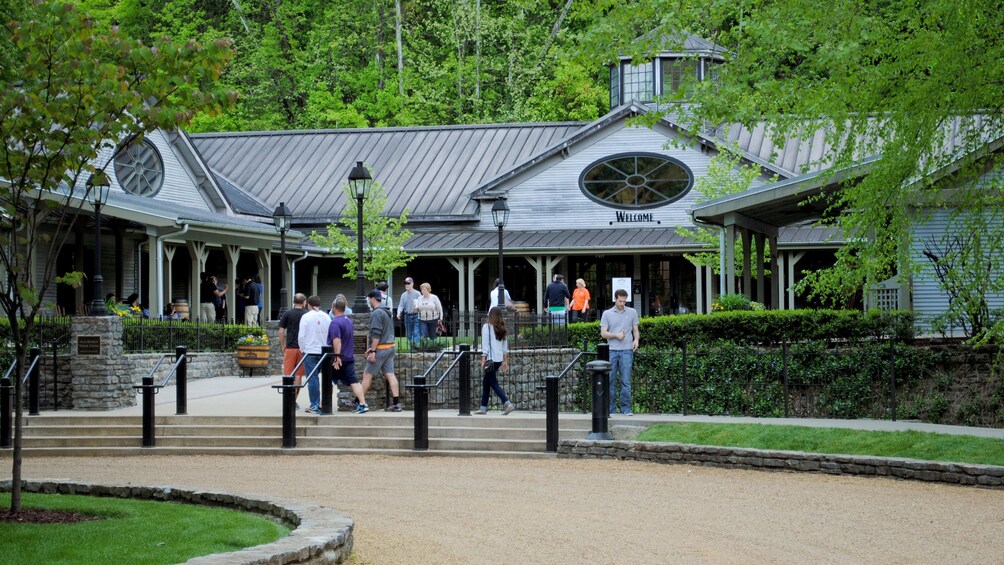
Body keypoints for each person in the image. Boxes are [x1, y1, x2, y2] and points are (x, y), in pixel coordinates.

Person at [600, 288, 640, 416]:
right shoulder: (607, 314)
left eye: (624, 301)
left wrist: (636, 340)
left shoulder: (632, 312)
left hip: (627, 351)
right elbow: (603, 333)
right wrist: (616, 335)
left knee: (626, 382)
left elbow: (635, 330)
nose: (622, 303)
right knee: (610, 382)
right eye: (620, 301)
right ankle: (611, 411)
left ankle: (626, 409)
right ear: (615, 299)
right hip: (612, 351)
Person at [361, 289, 402, 412]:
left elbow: (376, 334)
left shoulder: (376, 313)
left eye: (369, 299)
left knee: (367, 375)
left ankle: (359, 402)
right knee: (390, 374)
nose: (368, 302)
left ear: (373, 299)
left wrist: (373, 351)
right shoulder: (387, 312)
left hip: (380, 349)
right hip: (390, 347)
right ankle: (396, 403)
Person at [328, 296, 368, 413]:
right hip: (349, 357)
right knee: (354, 381)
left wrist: (337, 356)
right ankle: (362, 403)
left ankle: (324, 405)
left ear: (334, 308)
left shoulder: (335, 323)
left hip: (338, 359)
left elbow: (336, 340)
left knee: (328, 381)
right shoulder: (348, 321)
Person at [475, 307, 515, 415]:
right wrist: (505, 361)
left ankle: (507, 403)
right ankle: (483, 407)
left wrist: (483, 358)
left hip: (490, 359)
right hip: (498, 360)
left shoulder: (487, 327)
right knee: (486, 382)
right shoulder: (502, 328)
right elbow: (504, 347)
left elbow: (485, 345)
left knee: (493, 382)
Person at [297, 295, 330, 414]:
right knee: (326, 379)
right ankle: (326, 403)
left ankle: (315, 404)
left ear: (308, 305)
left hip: (310, 351)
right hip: (324, 351)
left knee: (312, 379)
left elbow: (301, 336)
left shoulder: (305, 317)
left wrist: (303, 348)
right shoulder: (327, 317)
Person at [278, 293, 308, 410]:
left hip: (290, 348)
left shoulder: (287, 313)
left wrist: (283, 345)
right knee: (298, 375)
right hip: (302, 348)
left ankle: (287, 400)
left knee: (288, 374)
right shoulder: (307, 314)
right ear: (304, 302)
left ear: (293, 301)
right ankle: (293, 400)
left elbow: (281, 331)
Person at [396, 277, 421, 346]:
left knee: (416, 332)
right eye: (405, 284)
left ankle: (415, 346)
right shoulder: (403, 295)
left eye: (408, 283)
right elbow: (401, 305)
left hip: (416, 315)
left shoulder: (417, 294)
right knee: (409, 333)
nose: (406, 285)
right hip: (407, 316)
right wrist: (398, 312)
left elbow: (421, 304)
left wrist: (418, 307)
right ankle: (411, 346)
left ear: (412, 284)